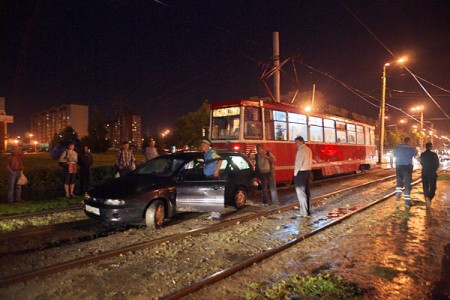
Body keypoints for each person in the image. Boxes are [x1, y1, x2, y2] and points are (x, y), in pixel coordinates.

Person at [201, 138, 222, 220]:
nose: (201, 146)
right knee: (211, 194)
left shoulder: (211, 152)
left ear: (207, 146)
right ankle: (214, 212)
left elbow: (220, 160)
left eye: (203, 145)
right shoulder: (206, 154)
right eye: (201, 145)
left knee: (213, 195)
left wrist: (216, 171)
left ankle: (216, 213)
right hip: (208, 175)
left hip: (212, 176)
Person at [393, 137, 417, 206]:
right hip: (407, 168)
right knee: (407, 184)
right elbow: (417, 157)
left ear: (403, 141)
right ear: (409, 141)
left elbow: (392, 156)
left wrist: (392, 166)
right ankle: (407, 201)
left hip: (398, 167)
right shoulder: (412, 149)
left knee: (399, 181)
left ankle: (398, 194)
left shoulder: (397, 148)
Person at [294, 136, 312, 217]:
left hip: (300, 173)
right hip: (308, 172)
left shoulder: (301, 150)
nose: (296, 144)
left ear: (301, 142)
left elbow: (298, 163)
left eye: (297, 142)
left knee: (301, 193)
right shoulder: (308, 149)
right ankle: (308, 210)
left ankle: (303, 212)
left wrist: (295, 174)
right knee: (307, 192)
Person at [420, 142, 440, 206]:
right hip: (432, 172)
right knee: (433, 187)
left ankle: (426, 197)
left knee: (425, 186)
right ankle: (429, 197)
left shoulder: (422, 154)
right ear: (431, 147)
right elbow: (437, 163)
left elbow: (421, 162)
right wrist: (435, 169)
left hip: (424, 172)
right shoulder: (434, 154)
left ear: (425, 147)